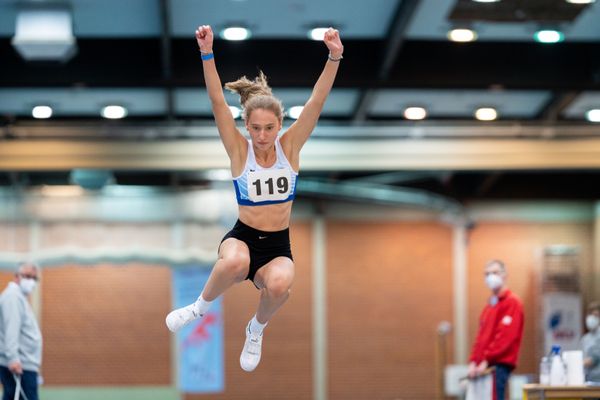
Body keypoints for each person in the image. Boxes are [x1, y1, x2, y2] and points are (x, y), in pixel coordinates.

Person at [165, 24, 343, 372]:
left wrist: (334, 56)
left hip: (278, 245)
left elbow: (316, 102)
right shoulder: (238, 150)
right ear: (247, 125)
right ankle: (199, 308)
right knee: (234, 264)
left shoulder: (289, 147)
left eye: (269, 128)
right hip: (242, 237)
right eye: (256, 128)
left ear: (280, 126)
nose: (262, 136)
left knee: (279, 286)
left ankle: (256, 328)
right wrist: (207, 53)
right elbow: (217, 101)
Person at [468, 260, 524, 400]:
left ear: (505, 275)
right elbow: (480, 338)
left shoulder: (512, 302)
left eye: (494, 273)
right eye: (486, 274)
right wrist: (473, 361)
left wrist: (487, 360)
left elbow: (506, 338)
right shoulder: (490, 306)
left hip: (496, 367)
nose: (490, 277)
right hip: (482, 368)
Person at [0, 262, 42, 400]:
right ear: (17, 276)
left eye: (34, 278)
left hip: (23, 364)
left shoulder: (19, 298)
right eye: (28, 276)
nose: (31, 281)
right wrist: (13, 359)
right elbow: (11, 329)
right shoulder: (13, 297)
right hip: (19, 365)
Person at [580, 301, 600, 382]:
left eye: (596, 315)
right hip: (587, 380)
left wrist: (575, 364)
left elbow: (594, 358)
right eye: (590, 315)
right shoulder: (585, 338)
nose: (592, 318)